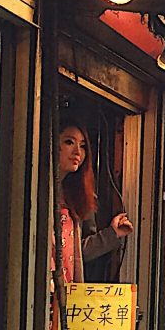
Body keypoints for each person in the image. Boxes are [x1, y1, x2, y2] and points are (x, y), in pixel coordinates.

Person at [55, 120, 133, 285]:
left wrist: (113, 234)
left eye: (83, 146)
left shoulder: (75, 195)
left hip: (67, 292)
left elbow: (76, 253)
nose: (78, 151)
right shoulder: (37, 189)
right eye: (69, 142)